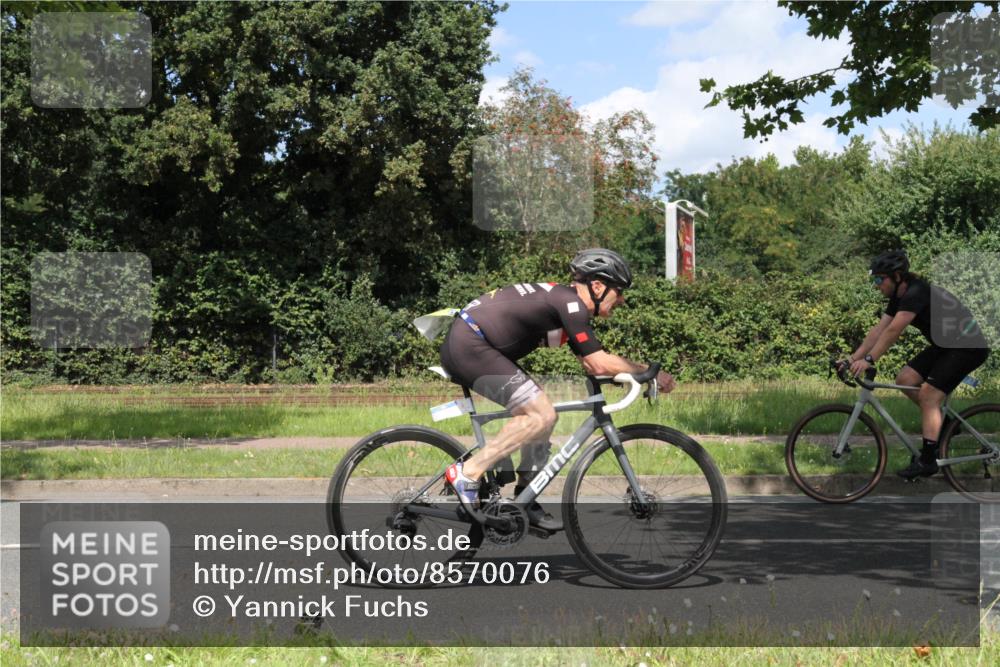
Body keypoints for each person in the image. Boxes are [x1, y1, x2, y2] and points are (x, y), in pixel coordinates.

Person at [438, 248, 676, 530]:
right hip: (469, 344)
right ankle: (467, 473)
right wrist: (648, 371)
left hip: (473, 343)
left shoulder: (567, 306)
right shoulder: (570, 304)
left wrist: (628, 375)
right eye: (619, 291)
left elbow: (591, 363)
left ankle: (526, 497)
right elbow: (599, 363)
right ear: (597, 286)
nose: (622, 299)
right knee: (540, 414)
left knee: (544, 415)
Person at [845, 250, 990, 479]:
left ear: (897, 276)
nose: (876, 285)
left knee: (929, 396)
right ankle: (944, 424)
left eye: (879, 279)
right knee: (905, 379)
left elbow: (894, 330)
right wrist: (852, 359)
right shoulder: (898, 296)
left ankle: (928, 460)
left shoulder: (916, 291)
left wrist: (870, 360)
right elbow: (880, 329)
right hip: (946, 345)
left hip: (967, 347)